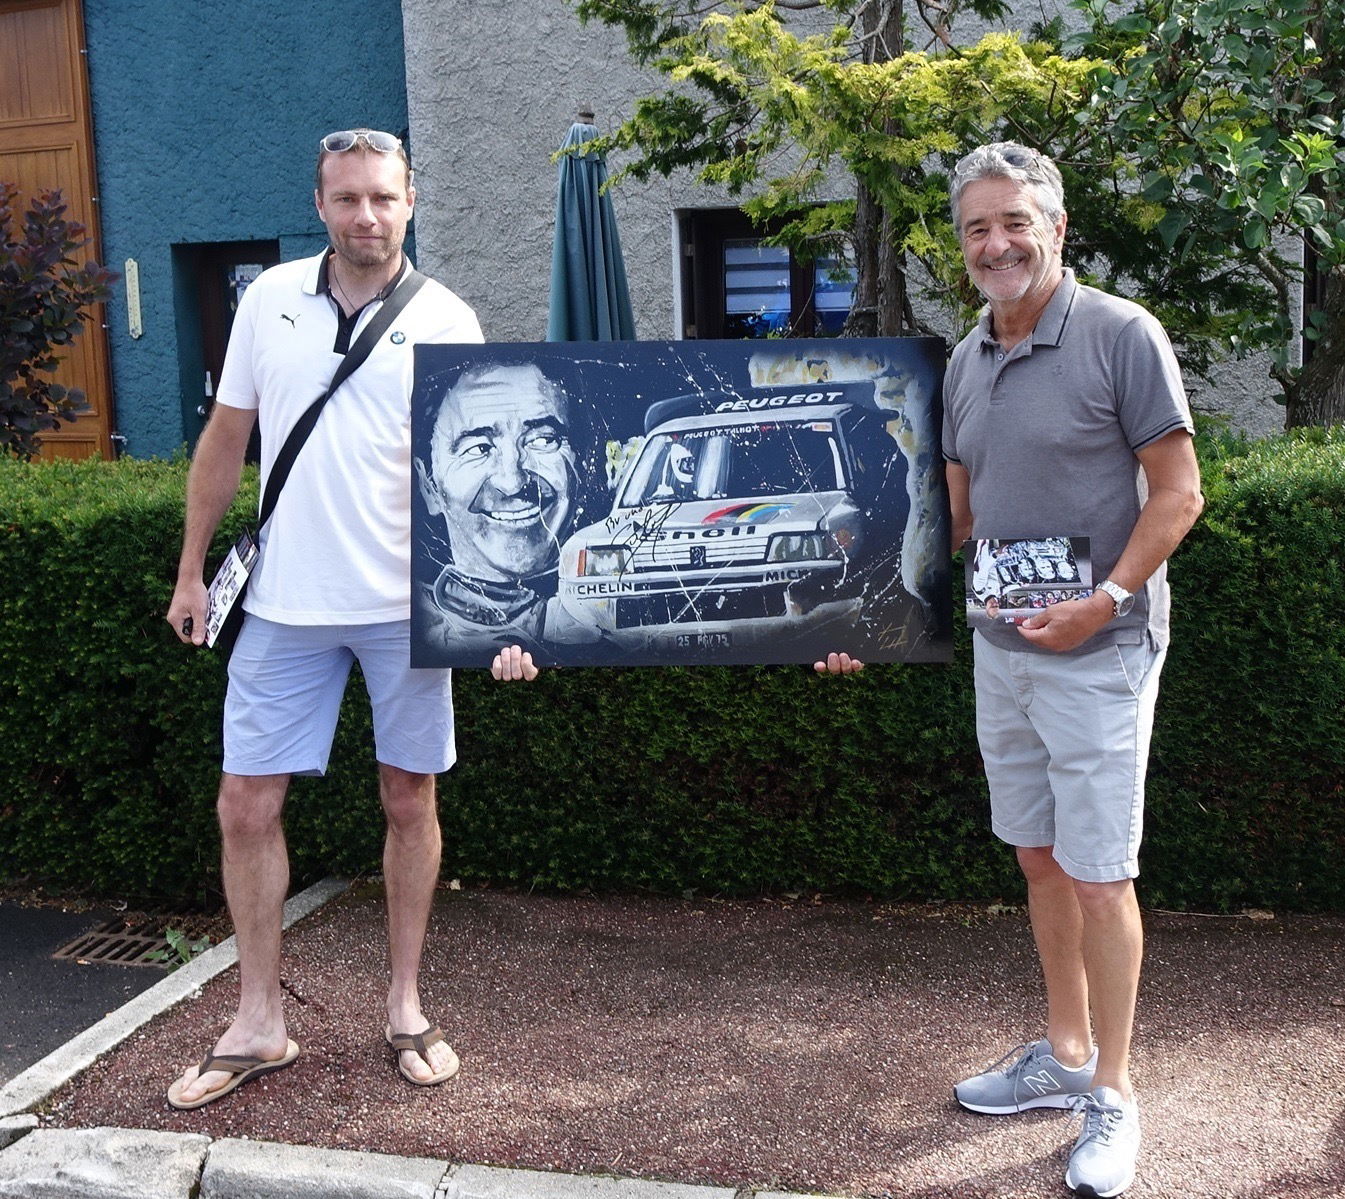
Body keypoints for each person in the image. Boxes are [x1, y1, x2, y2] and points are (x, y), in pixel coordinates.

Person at [817, 142, 1203, 1198]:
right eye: (977, 228)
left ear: (1056, 227)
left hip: (1102, 652)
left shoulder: (1122, 335)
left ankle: (1112, 1092)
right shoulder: (965, 363)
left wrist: (1106, 602)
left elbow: (1178, 494)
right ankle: (1064, 1052)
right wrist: (870, 618)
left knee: (1097, 870)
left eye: (1014, 223)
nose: (995, 243)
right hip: (1001, 650)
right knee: (1037, 858)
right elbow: (956, 520)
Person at [165, 128, 537, 1111]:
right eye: (346, 198)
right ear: (320, 204)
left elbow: (486, 478)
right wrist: (192, 569)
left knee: (409, 797)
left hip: (408, 606)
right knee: (244, 803)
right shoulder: (267, 301)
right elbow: (225, 438)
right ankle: (257, 1019)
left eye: (382, 197)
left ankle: (406, 1003)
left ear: (410, 199)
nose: (365, 216)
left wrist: (507, 604)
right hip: (282, 602)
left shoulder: (450, 319)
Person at [414, 361, 581, 656]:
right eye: (479, 448)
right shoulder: (413, 627)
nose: (513, 482)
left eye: (542, 440)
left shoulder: (625, 624)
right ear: (429, 485)